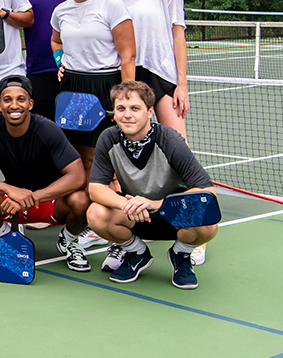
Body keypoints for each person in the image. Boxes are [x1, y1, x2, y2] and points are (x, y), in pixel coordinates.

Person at [86, 81, 218, 289]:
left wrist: (155, 204)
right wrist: (126, 204)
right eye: (121, 108)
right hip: (135, 215)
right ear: (114, 113)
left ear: (149, 112)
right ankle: (136, 253)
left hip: (172, 216)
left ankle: (181, 255)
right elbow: (96, 188)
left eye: (135, 108)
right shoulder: (108, 138)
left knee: (208, 222)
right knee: (95, 214)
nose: (127, 114)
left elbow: (208, 192)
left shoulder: (169, 139)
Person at [0, 75, 92, 272]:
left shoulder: (47, 128)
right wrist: (10, 190)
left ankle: (69, 241)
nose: (14, 105)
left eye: (21, 99)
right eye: (7, 99)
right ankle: (7, 237)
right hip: (10, 200)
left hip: (49, 200)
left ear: (30, 104)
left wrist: (33, 196)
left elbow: (77, 176)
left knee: (81, 200)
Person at [7, 0, 111, 121]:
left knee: (80, 134)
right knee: (46, 136)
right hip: (38, 69)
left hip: (81, 70)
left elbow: (110, 6)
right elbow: (12, 17)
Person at [50, 0, 136, 183]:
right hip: (72, 87)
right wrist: (60, 62)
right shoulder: (61, 11)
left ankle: (112, 214)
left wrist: (126, 97)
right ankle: (87, 213)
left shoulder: (111, 4)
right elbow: (56, 40)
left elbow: (128, 55)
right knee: (79, 157)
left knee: (107, 157)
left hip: (105, 86)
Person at [106, 0, 189, 140]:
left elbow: (178, 36)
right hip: (127, 77)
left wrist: (182, 86)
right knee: (136, 150)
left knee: (179, 147)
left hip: (161, 76)